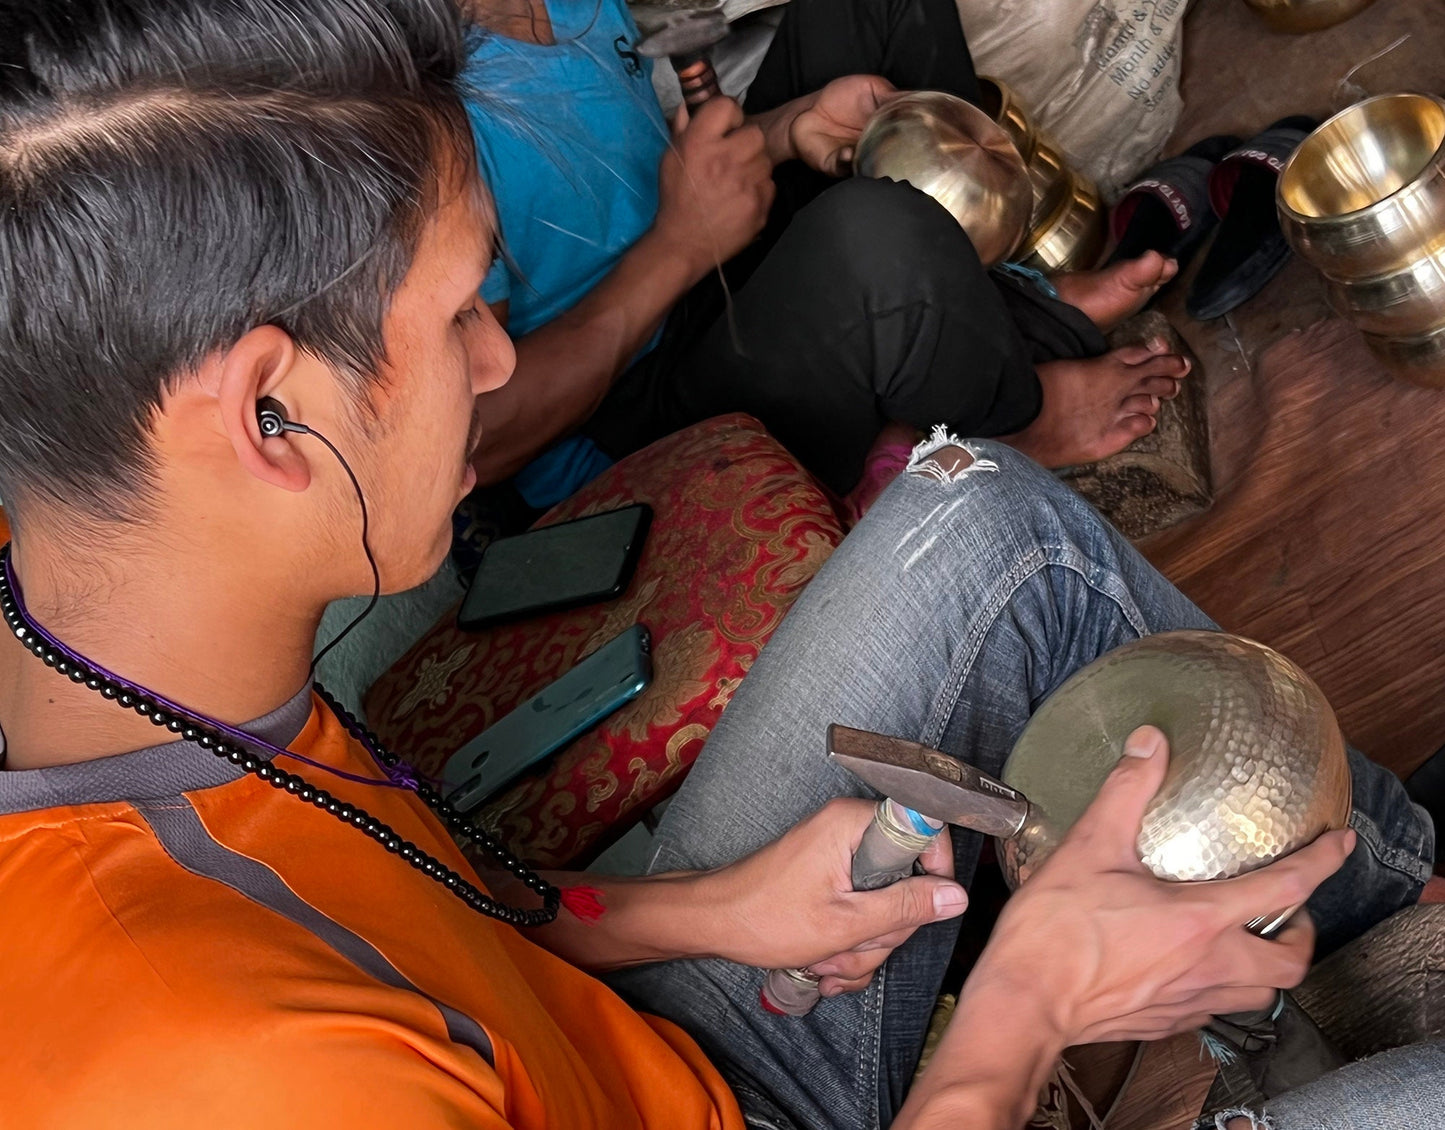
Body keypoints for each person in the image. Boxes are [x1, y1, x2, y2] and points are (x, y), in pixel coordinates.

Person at [0, 4, 1437, 1130]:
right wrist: (1023, 1005)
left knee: (986, 526)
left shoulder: (115, 617)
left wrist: (715, 906)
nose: (498, 362)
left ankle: (1406, 904)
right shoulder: (227, 1061)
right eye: (455, 318)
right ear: (266, 416)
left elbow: (414, 897)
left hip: (637, 1057)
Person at [461, 0, 1194, 509]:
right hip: (627, 427)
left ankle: (996, 306)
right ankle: (1010, 417)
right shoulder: (417, 124)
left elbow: (637, 183)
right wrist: (680, 249)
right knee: (869, 235)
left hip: (703, 271)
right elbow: (477, 441)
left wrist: (787, 128)